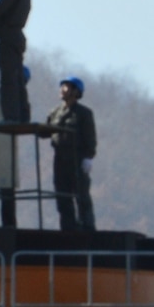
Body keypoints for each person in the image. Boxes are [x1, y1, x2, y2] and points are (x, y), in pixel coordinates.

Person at [46, 76, 97, 232]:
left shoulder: (83, 113)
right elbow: (46, 130)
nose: (62, 90)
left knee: (81, 196)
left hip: (77, 159)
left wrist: (88, 158)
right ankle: (68, 228)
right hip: (59, 160)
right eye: (62, 87)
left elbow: (90, 137)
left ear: (76, 92)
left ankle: (87, 227)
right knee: (62, 196)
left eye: (66, 87)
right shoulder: (55, 112)